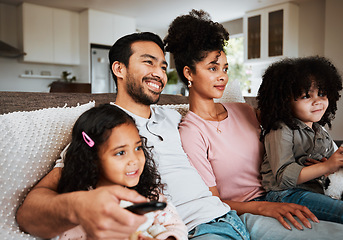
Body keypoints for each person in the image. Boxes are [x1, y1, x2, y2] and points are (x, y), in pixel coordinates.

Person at [16, 30, 343, 240]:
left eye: (161, 65)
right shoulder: (102, 127)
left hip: (230, 215)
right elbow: (30, 211)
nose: (159, 72)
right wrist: (78, 205)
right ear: (119, 68)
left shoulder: (173, 117)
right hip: (195, 228)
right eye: (148, 62)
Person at [164, 9, 343, 239]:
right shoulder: (191, 131)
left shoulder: (243, 110)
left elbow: (290, 122)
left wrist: (321, 160)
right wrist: (263, 208)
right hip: (247, 212)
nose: (223, 76)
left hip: (284, 194)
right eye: (213, 68)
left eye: (225, 68)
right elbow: (212, 201)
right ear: (189, 72)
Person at [57, 103, 187, 240]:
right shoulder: (84, 207)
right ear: (92, 158)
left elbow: (176, 226)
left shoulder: (149, 196)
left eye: (138, 148)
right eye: (120, 153)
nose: (134, 160)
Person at [256, 56, 343, 224]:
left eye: (322, 94)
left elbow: (329, 167)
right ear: (284, 101)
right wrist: (326, 166)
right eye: (306, 96)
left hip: (315, 190)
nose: (317, 101)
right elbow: (283, 176)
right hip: (285, 195)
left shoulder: (320, 131)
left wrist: (328, 166)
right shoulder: (280, 130)